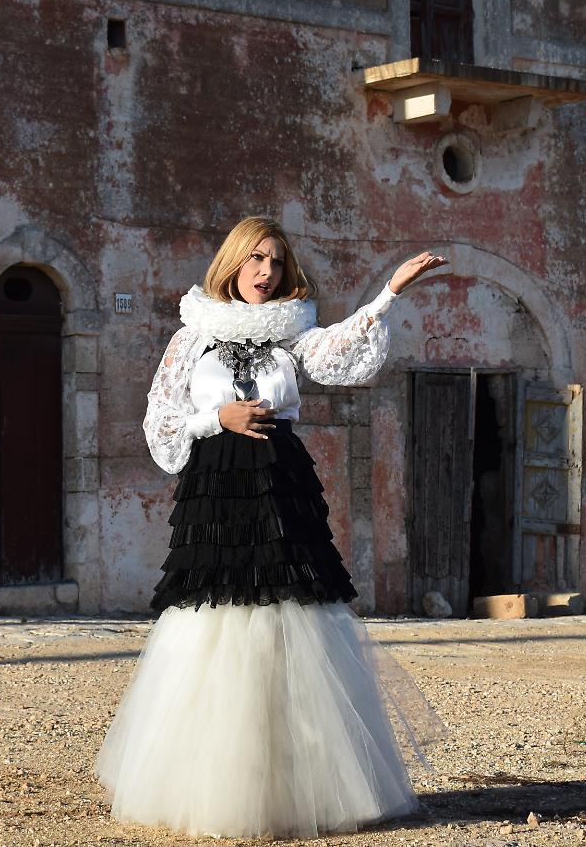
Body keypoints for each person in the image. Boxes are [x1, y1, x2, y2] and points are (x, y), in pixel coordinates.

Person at [94, 216, 447, 838]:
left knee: (297, 613)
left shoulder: (294, 332)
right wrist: (218, 418)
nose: (265, 271)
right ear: (231, 263)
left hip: (281, 480)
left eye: (277, 262)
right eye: (255, 258)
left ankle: (304, 787)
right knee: (214, 615)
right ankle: (213, 784)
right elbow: (162, 429)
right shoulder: (190, 337)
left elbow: (343, 354)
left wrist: (390, 293)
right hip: (216, 484)